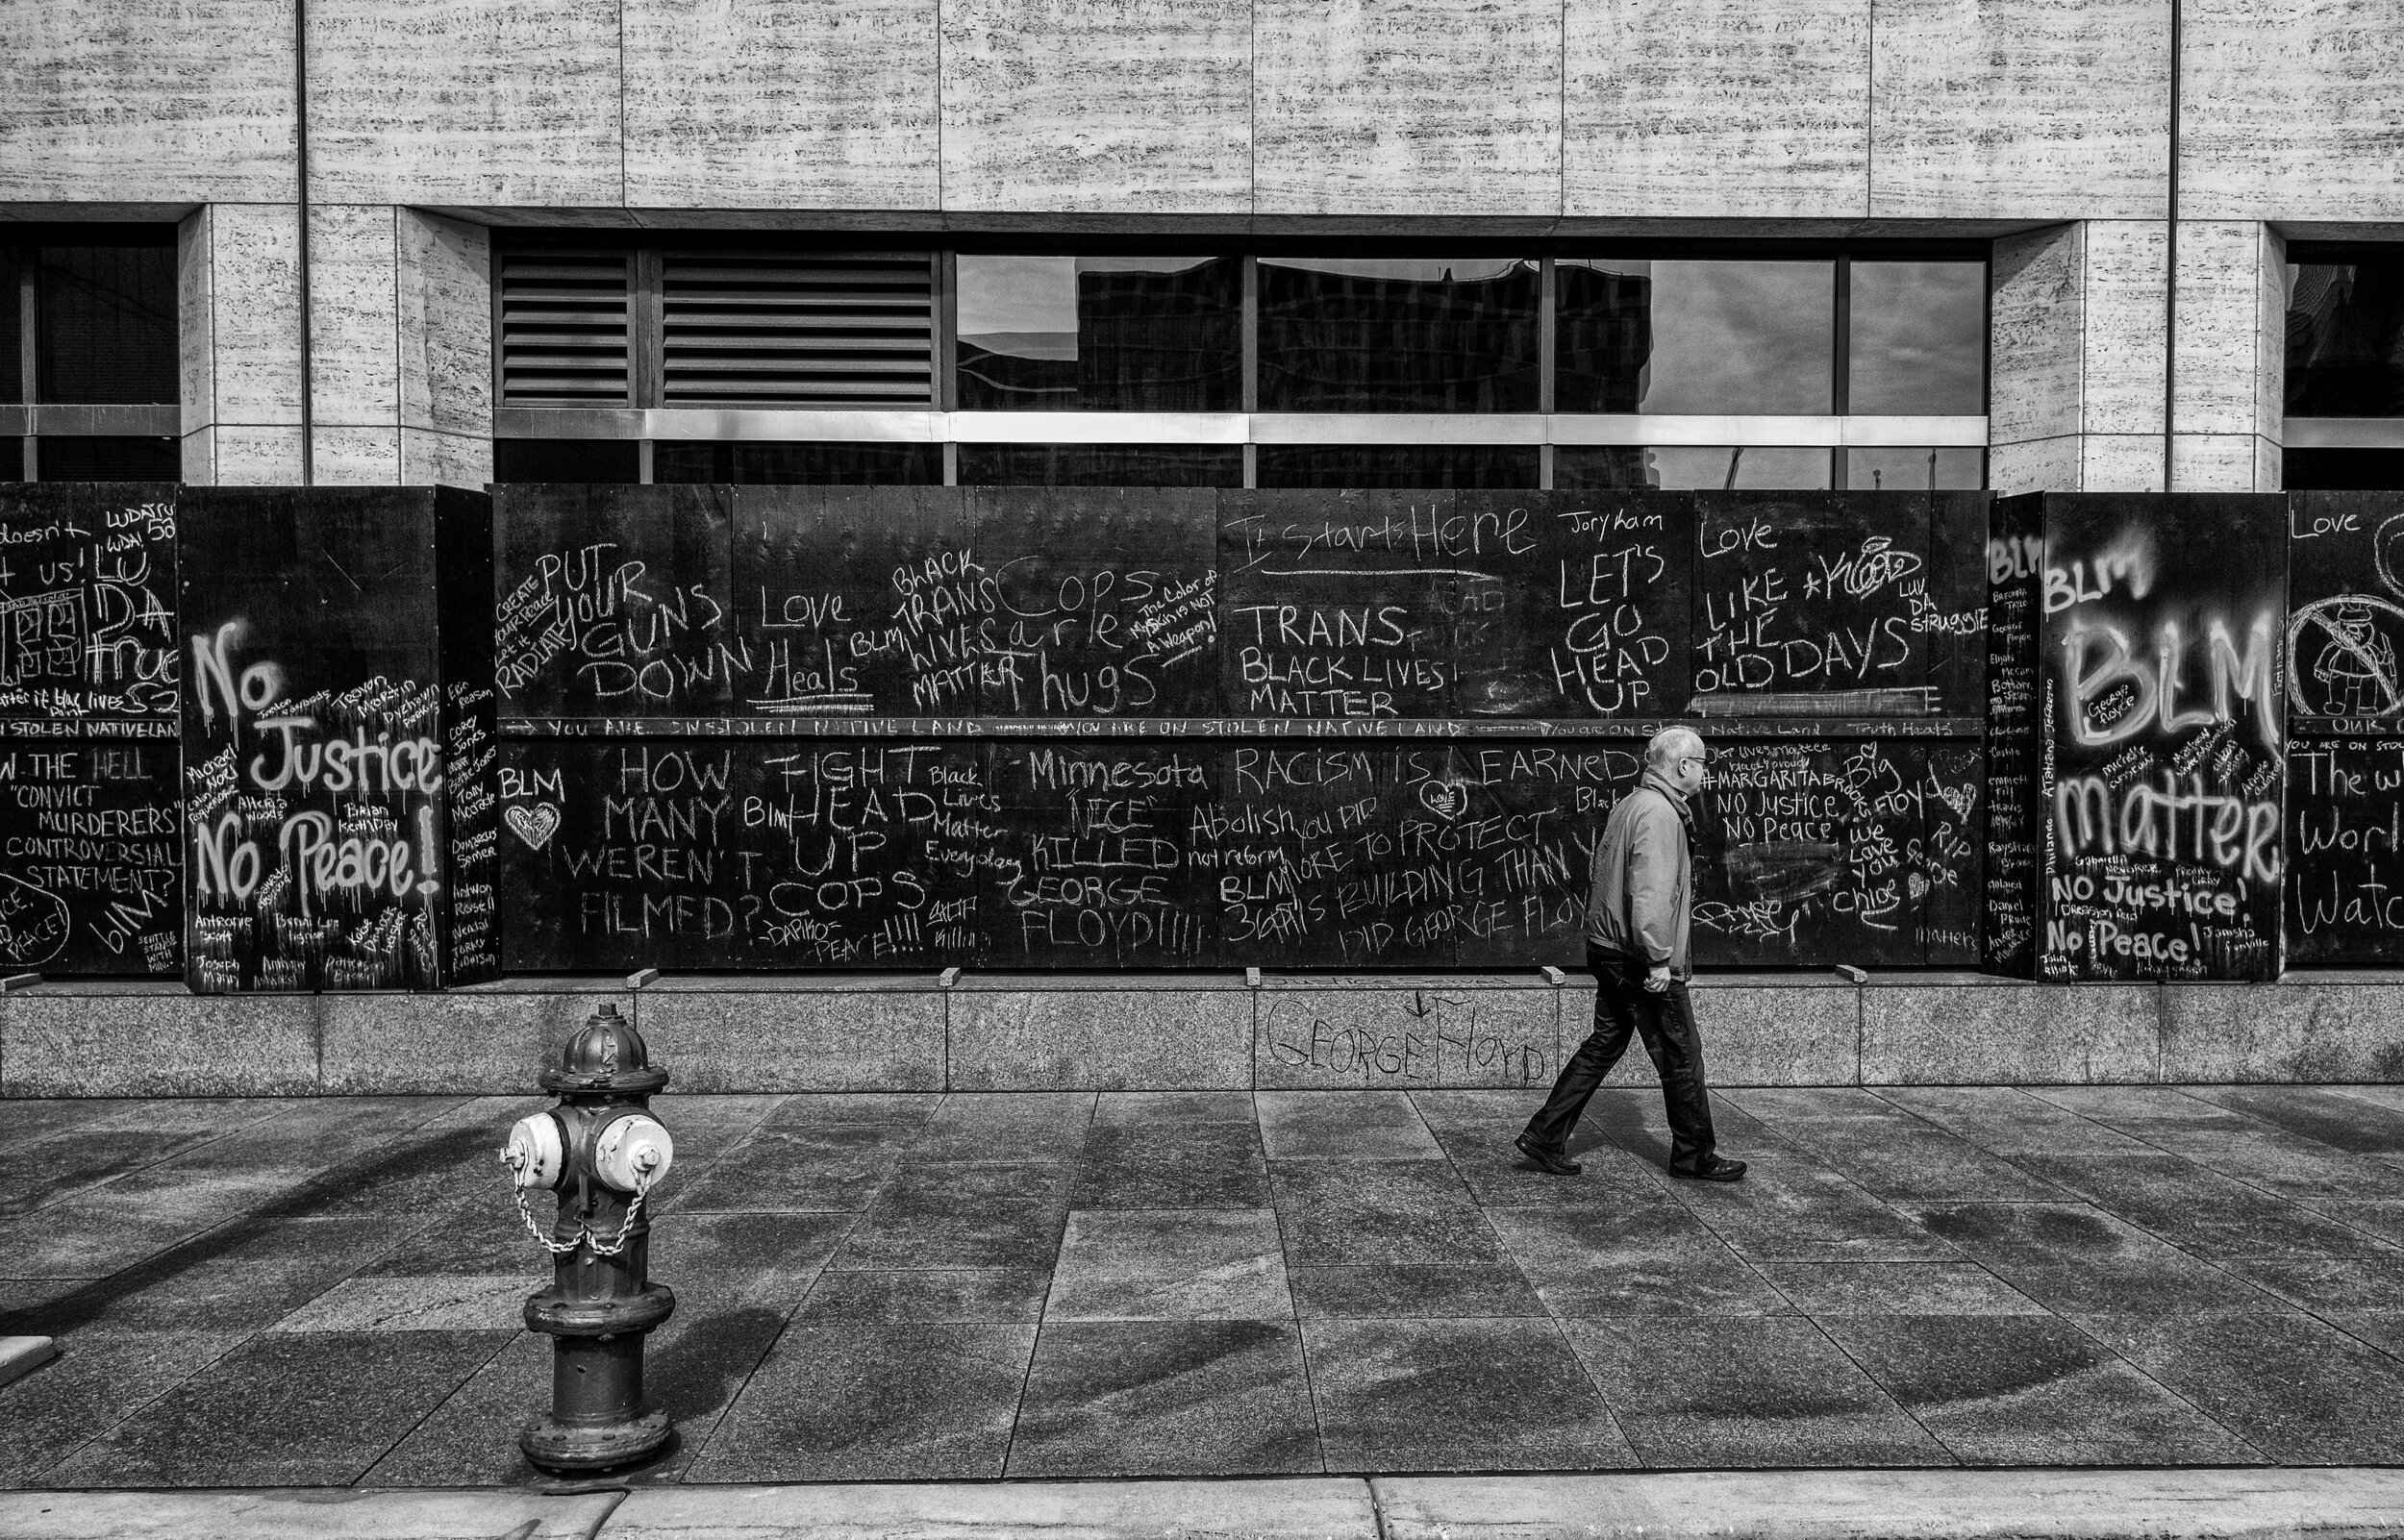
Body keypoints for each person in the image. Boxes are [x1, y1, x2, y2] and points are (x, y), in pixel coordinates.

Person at [1515, 725, 1746, 1182]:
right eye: (1702, 764)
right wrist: (1660, 960)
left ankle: (1544, 1135)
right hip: (1637, 956)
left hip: (1608, 947)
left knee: (1606, 1043)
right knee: (1681, 1053)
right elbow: (1651, 894)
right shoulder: (1660, 814)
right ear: (1683, 767)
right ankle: (1694, 1155)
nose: (1705, 773)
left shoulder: (1632, 804)